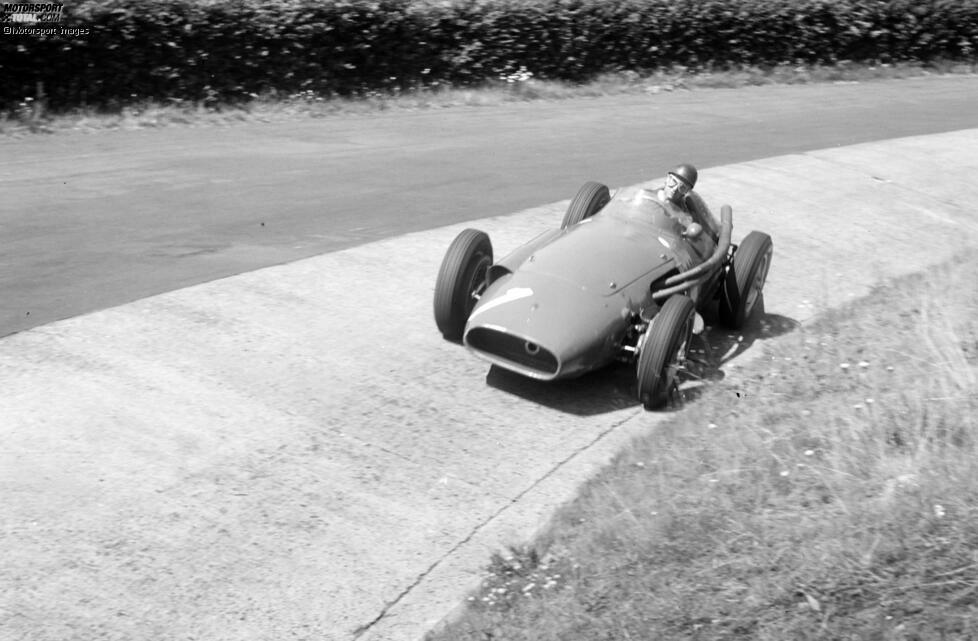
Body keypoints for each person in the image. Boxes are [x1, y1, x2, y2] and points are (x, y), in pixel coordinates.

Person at [656, 163, 720, 242]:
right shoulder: (648, 197)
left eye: (682, 188)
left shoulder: (685, 210)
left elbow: (692, 231)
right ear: (667, 178)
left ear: (686, 191)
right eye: (673, 182)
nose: (674, 189)